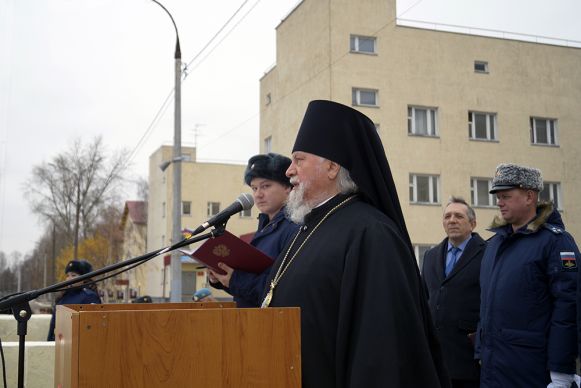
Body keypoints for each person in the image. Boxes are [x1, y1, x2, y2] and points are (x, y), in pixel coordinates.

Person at [263, 100, 450, 387]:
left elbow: (381, 349)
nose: (289, 170)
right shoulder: (310, 227)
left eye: (299, 160)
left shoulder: (372, 233)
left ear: (332, 167)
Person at [476, 163, 578, 387]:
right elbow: (486, 306)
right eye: (498, 196)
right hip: (494, 369)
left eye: (506, 196)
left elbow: (568, 309)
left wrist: (561, 372)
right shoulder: (494, 245)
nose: (499, 202)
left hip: (531, 370)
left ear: (529, 197)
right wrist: (480, 352)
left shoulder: (555, 242)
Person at [208, 153, 299, 307]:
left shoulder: (294, 227)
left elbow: (281, 289)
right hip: (252, 322)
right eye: (254, 188)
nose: (258, 194)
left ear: (287, 187)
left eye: (266, 186)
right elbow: (251, 290)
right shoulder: (265, 226)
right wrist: (221, 278)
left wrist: (235, 280)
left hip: (274, 324)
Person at [422, 197, 486, 388]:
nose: (452, 220)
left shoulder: (487, 254)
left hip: (469, 359)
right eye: (447, 216)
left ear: (472, 224)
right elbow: (425, 298)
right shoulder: (430, 256)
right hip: (435, 358)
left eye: (459, 216)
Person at [47, 259, 101, 341]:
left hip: (77, 344)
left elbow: (93, 326)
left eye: (73, 275)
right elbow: (53, 325)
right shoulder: (62, 296)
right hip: (59, 343)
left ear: (83, 278)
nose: (69, 278)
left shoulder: (89, 296)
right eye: (67, 275)